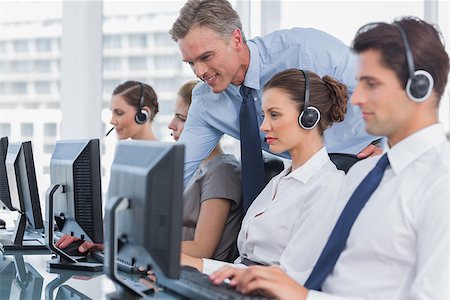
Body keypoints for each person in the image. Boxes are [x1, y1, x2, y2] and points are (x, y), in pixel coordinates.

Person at [210, 17, 450, 300]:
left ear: (419, 86)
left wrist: (303, 296)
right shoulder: (364, 173)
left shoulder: (440, 183)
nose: (357, 98)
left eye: (371, 84)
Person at [170, 0, 382, 204]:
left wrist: (390, 147)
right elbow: (176, 173)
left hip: (364, 167)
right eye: (191, 63)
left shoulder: (306, 50)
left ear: (235, 39)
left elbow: (393, 94)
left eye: (206, 57)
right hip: (303, 183)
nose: (199, 72)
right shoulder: (206, 102)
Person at [182, 68, 349, 278]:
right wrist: (192, 264)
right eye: (264, 115)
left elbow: (291, 277)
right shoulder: (279, 181)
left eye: (275, 115)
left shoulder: (327, 187)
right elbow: (244, 264)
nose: (263, 126)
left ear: (309, 117)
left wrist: (198, 265)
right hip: (239, 286)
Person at [55, 80, 159, 253]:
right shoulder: (123, 157)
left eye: (119, 113)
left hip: (138, 259)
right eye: (112, 113)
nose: (112, 121)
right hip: (116, 254)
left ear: (143, 114)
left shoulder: (161, 161)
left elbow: (154, 229)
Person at [168, 80, 242, 261]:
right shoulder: (193, 168)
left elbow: (202, 249)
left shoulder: (222, 171)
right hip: (170, 266)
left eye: (182, 118)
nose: (171, 124)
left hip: (197, 275)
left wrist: (141, 245)